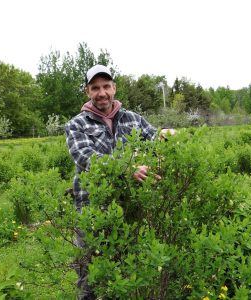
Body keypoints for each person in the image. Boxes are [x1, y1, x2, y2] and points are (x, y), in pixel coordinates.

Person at [64, 64, 174, 299]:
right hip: (90, 209)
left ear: (114, 87)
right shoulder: (76, 125)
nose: (101, 92)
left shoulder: (133, 119)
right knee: (89, 272)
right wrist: (127, 169)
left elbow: (154, 141)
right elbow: (86, 157)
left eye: (106, 86)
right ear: (87, 92)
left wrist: (166, 138)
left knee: (124, 267)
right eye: (95, 88)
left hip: (127, 208)